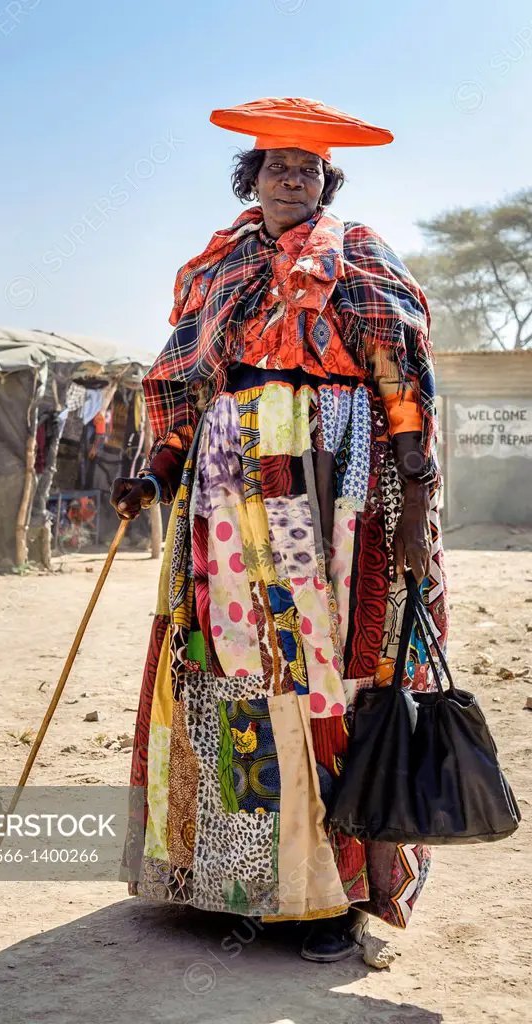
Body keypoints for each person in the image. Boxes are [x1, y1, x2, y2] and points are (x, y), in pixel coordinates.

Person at [111, 97, 448, 962]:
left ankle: (331, 894)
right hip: (228, 484)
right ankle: (245, 881)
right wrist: (153, 472)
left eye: (307, 170)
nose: (291, 180)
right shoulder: (215, 266)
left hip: (336, 483)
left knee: (327, 675)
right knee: (236, 668)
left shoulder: (361, 256)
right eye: (276, 168)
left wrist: (414, 499)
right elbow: (185, 384)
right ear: (249, 178)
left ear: (325, 182)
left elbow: (399, 376)